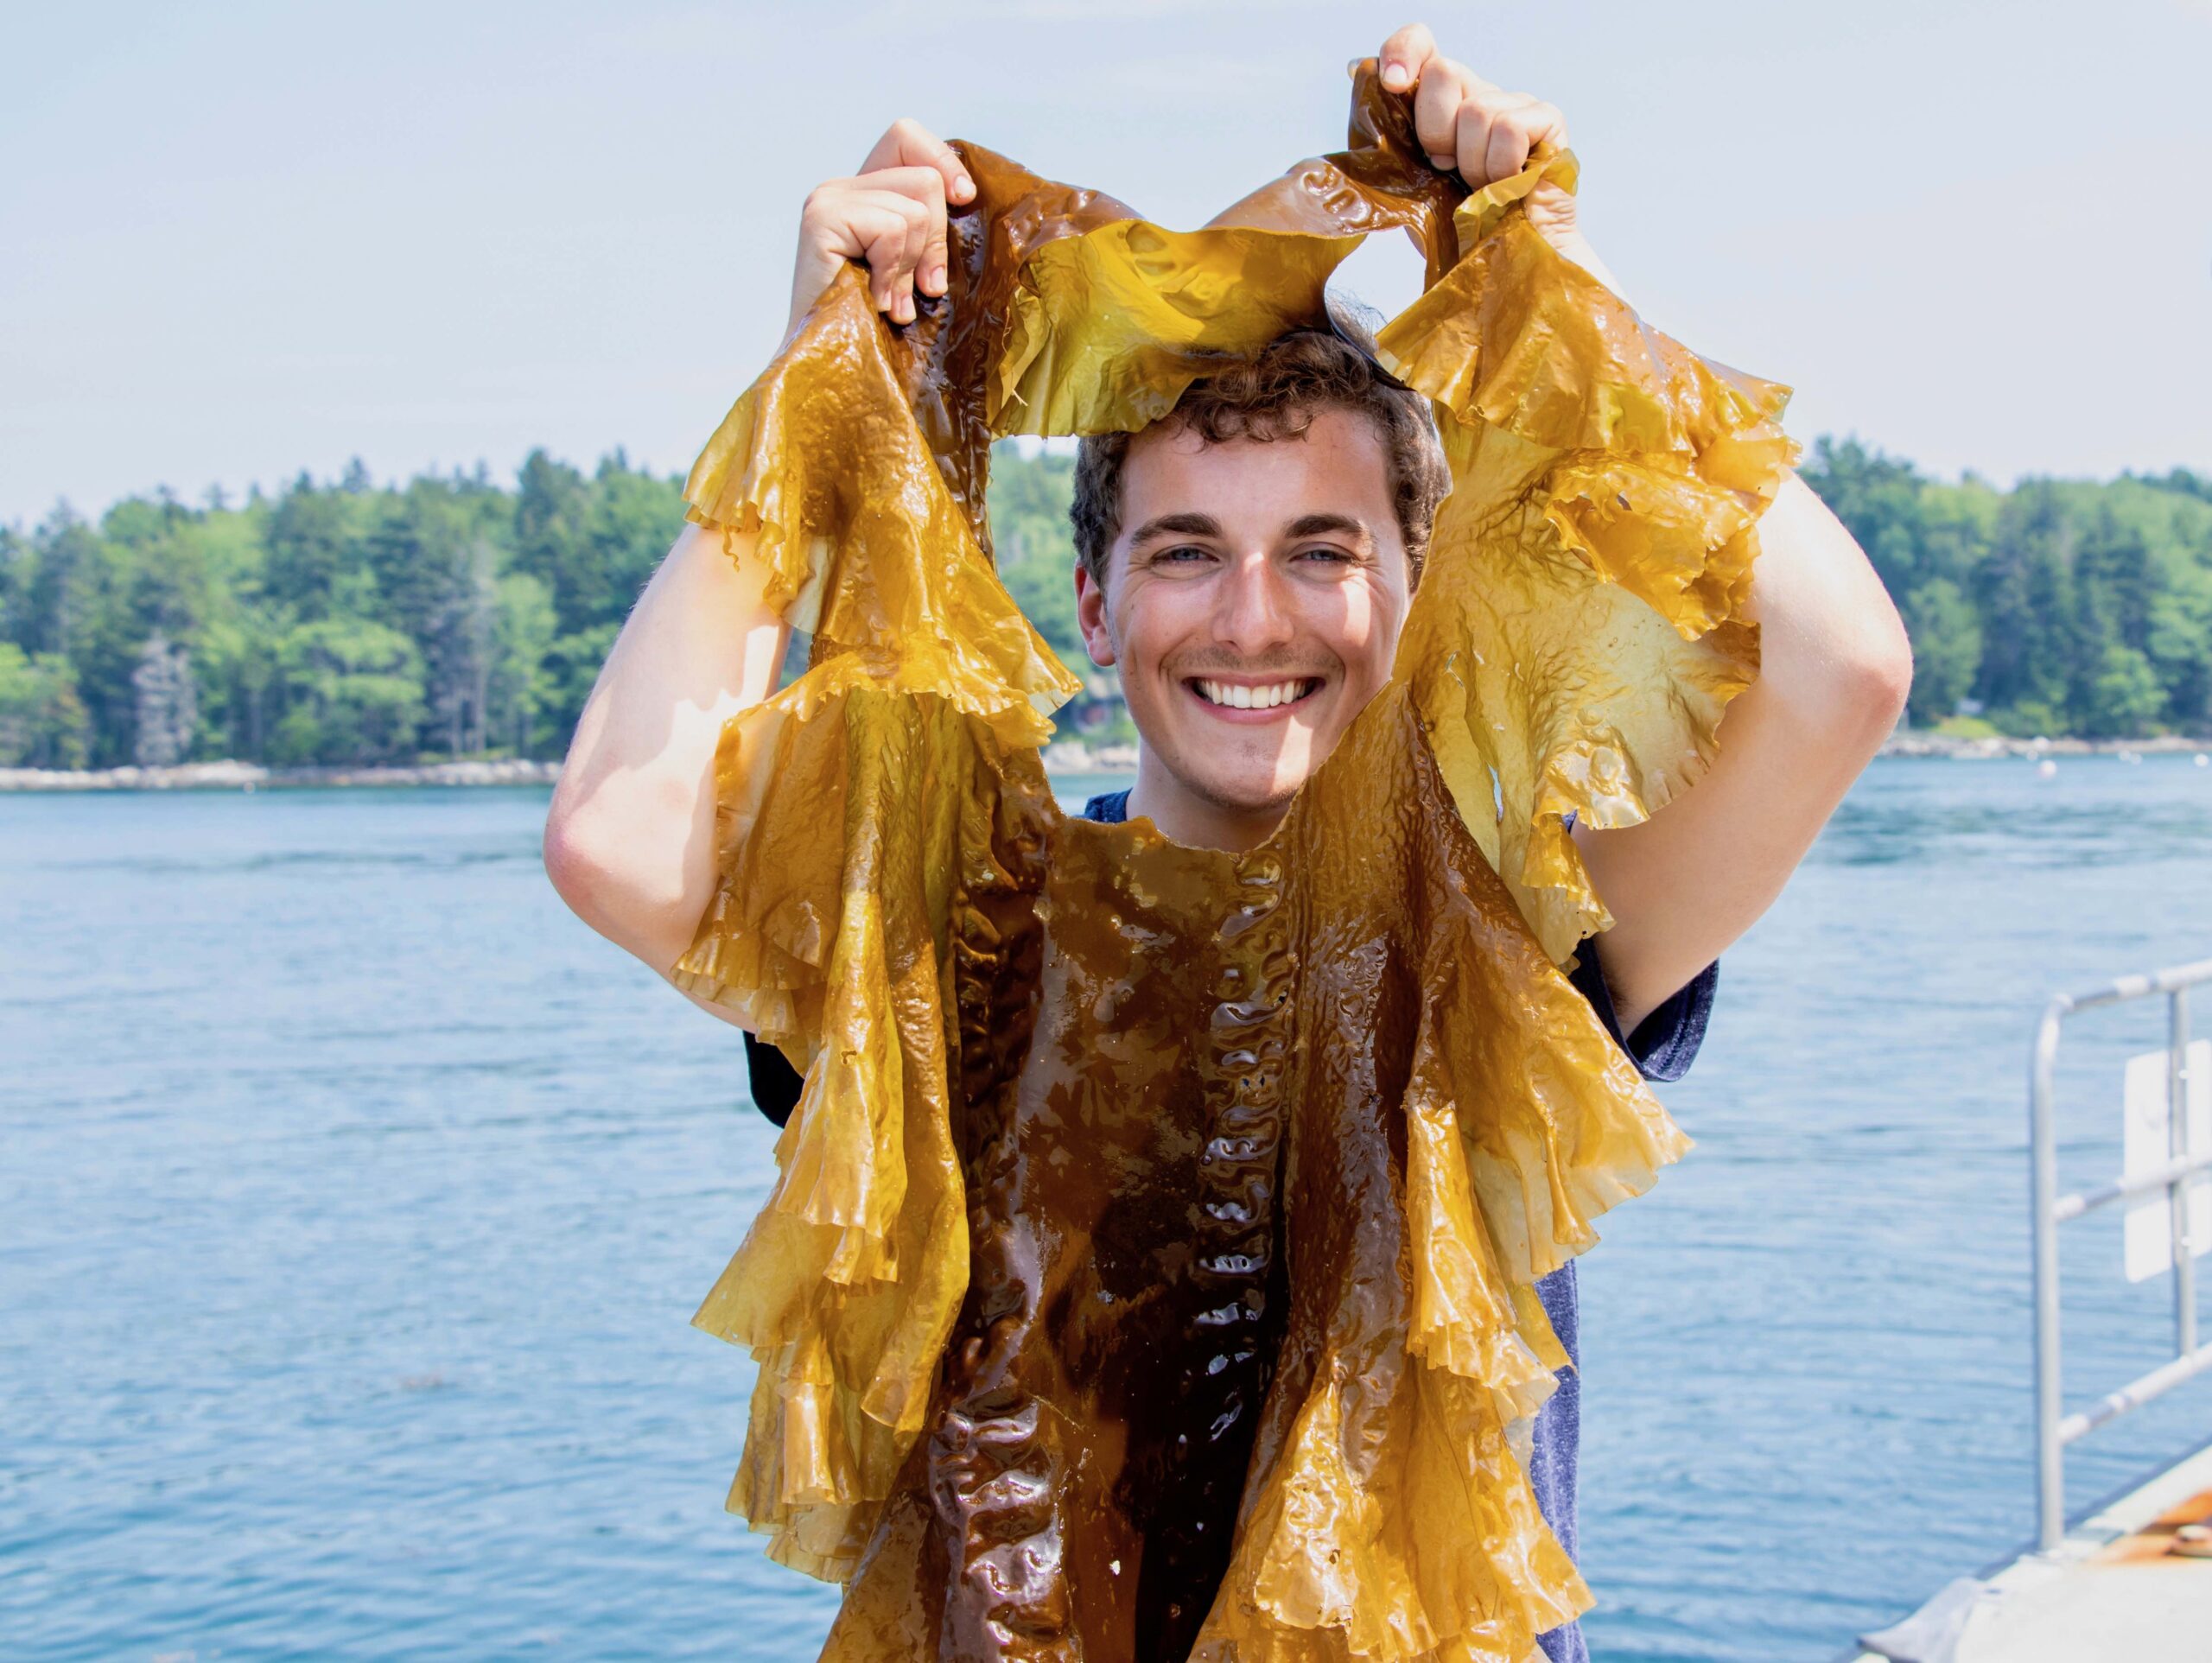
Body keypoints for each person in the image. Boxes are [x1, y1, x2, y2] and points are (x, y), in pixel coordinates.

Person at [543, 24, 1912, 1661]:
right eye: (1188, 549)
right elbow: (621, 838)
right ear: (1096, 604)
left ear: (1413, 592)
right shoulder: (956, 939)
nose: (1255, 618)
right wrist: (825, 371)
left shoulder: (1509, 933)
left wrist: (1541, 265)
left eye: (1321, 549)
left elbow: (1844, 668)